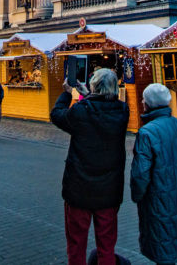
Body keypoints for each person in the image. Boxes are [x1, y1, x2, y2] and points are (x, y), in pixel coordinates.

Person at [50, 68, 130, 265]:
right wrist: (88, 95)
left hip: (79, 188)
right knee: (107, 244)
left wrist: (67, 93)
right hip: (109, 190)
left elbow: (57, 115)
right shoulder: (122, 111)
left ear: (94, 85)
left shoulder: (80, 111)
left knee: (76, 243)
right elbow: (102, 107)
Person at [131, 83, 177, 265]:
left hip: (157, 198)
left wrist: (137, 194)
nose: (142, 102)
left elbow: (141, 173)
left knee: (163, 246)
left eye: (144, 99)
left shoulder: (146, 133)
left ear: (149, 103)